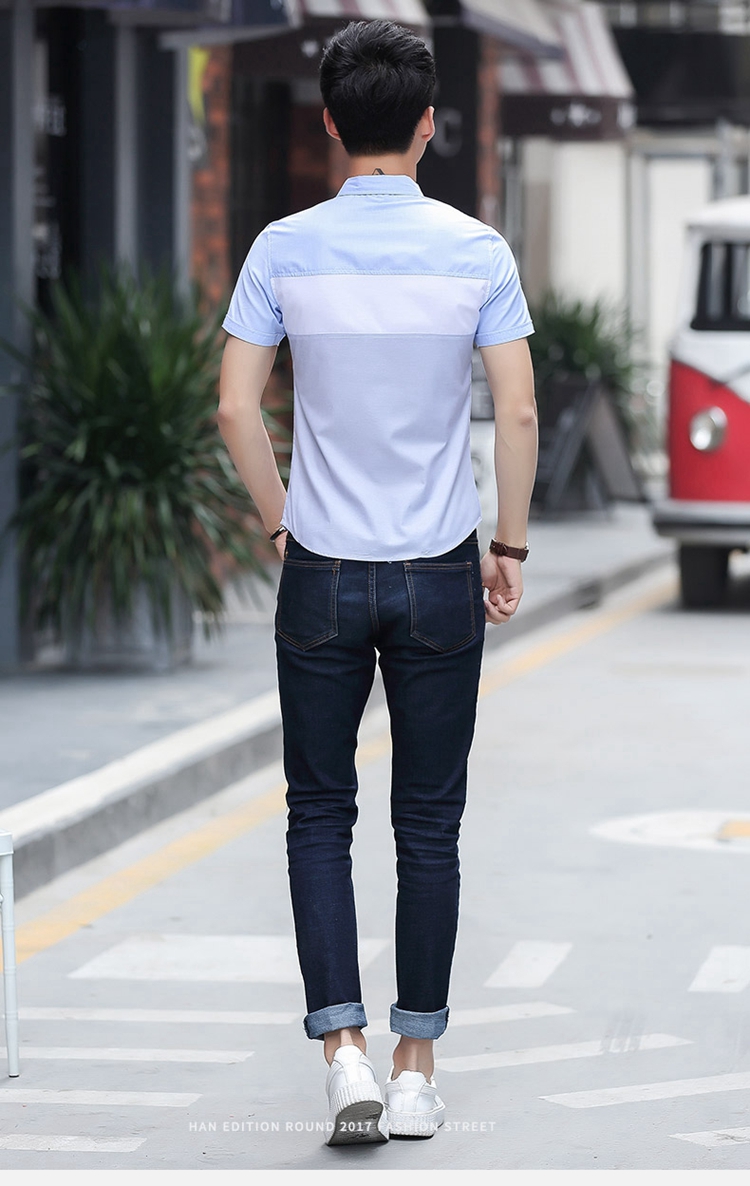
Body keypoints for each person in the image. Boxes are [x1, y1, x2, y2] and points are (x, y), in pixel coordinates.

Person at [217, 18, 538, 1146]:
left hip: (323, 569)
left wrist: (281, 520)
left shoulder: (281, 249)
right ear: (429, 124)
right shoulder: (477, 251)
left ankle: (341, 1050)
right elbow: (518, 411)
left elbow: (234, 406)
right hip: (440, 569)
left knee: (318, 812)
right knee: (429, 824)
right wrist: (509, 547)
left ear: (330, 124)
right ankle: (414, 1066)